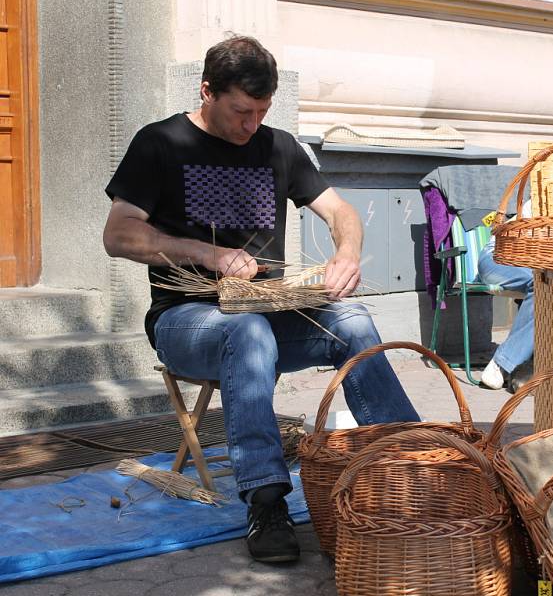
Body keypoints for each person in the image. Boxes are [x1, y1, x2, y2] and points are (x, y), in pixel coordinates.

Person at [102, 35, 420, 563]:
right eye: (241, 112)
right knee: (243, 331)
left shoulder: (279, 146)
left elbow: (341, 212)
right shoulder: (158, 143)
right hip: (187, 321)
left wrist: (347, 253)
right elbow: (118, 235)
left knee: (354, 321)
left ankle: (414, 461)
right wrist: (206, 253)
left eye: (262, 111)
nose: (251, 125)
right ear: (206, 91)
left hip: (270, 315)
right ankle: (266, 501)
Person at [477, 200, 534, 390]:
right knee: (544, 284)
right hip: (498, 257)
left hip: (529, 266)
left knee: (551, 285)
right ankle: (502, 363)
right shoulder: (542, 201)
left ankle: (522, 363)